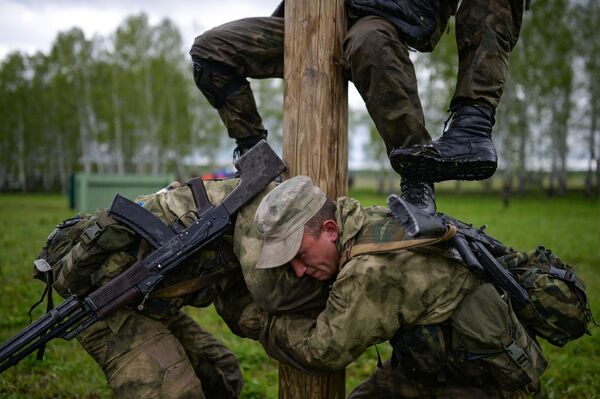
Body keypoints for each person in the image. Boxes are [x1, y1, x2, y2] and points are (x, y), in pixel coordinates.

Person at [189, 0, 526, 214]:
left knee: (370, 42)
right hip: (310, 16)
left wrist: (474, 122)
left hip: (384, 16)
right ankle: (254, 158)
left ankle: (418, 174)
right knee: (211, 50)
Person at [237, 175, 553, 398]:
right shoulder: (369, 220)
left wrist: (259, 321)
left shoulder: (368, 271)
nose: (299, 270)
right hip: (431, 367)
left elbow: (322, 351)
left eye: (300, 254)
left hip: (486, 382)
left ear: (331, 230)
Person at [34, 177, 329, 399]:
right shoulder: (230, 216)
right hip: (104, 306)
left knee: (221, 372)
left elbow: (236, 303)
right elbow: (112, 222)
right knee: (173, 391)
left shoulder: (249, 238)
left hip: (152, 305)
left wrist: (293, 337)